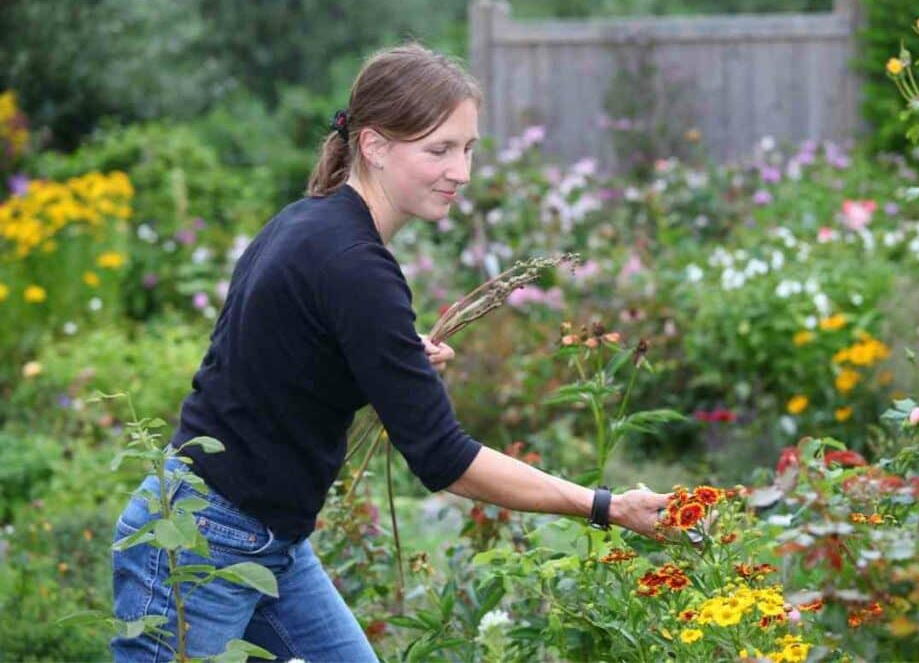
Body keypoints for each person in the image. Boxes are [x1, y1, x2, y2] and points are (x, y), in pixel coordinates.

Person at [110, 43, 670, 662]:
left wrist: (381, 360)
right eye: (439, 150)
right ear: (374, 146)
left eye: (468, 148)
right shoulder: (354, 264)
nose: (461, 171)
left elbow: (274, 363)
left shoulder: (309, 223)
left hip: (268, 540)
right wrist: (604, 506)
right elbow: (443, 458)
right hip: (199, 539)